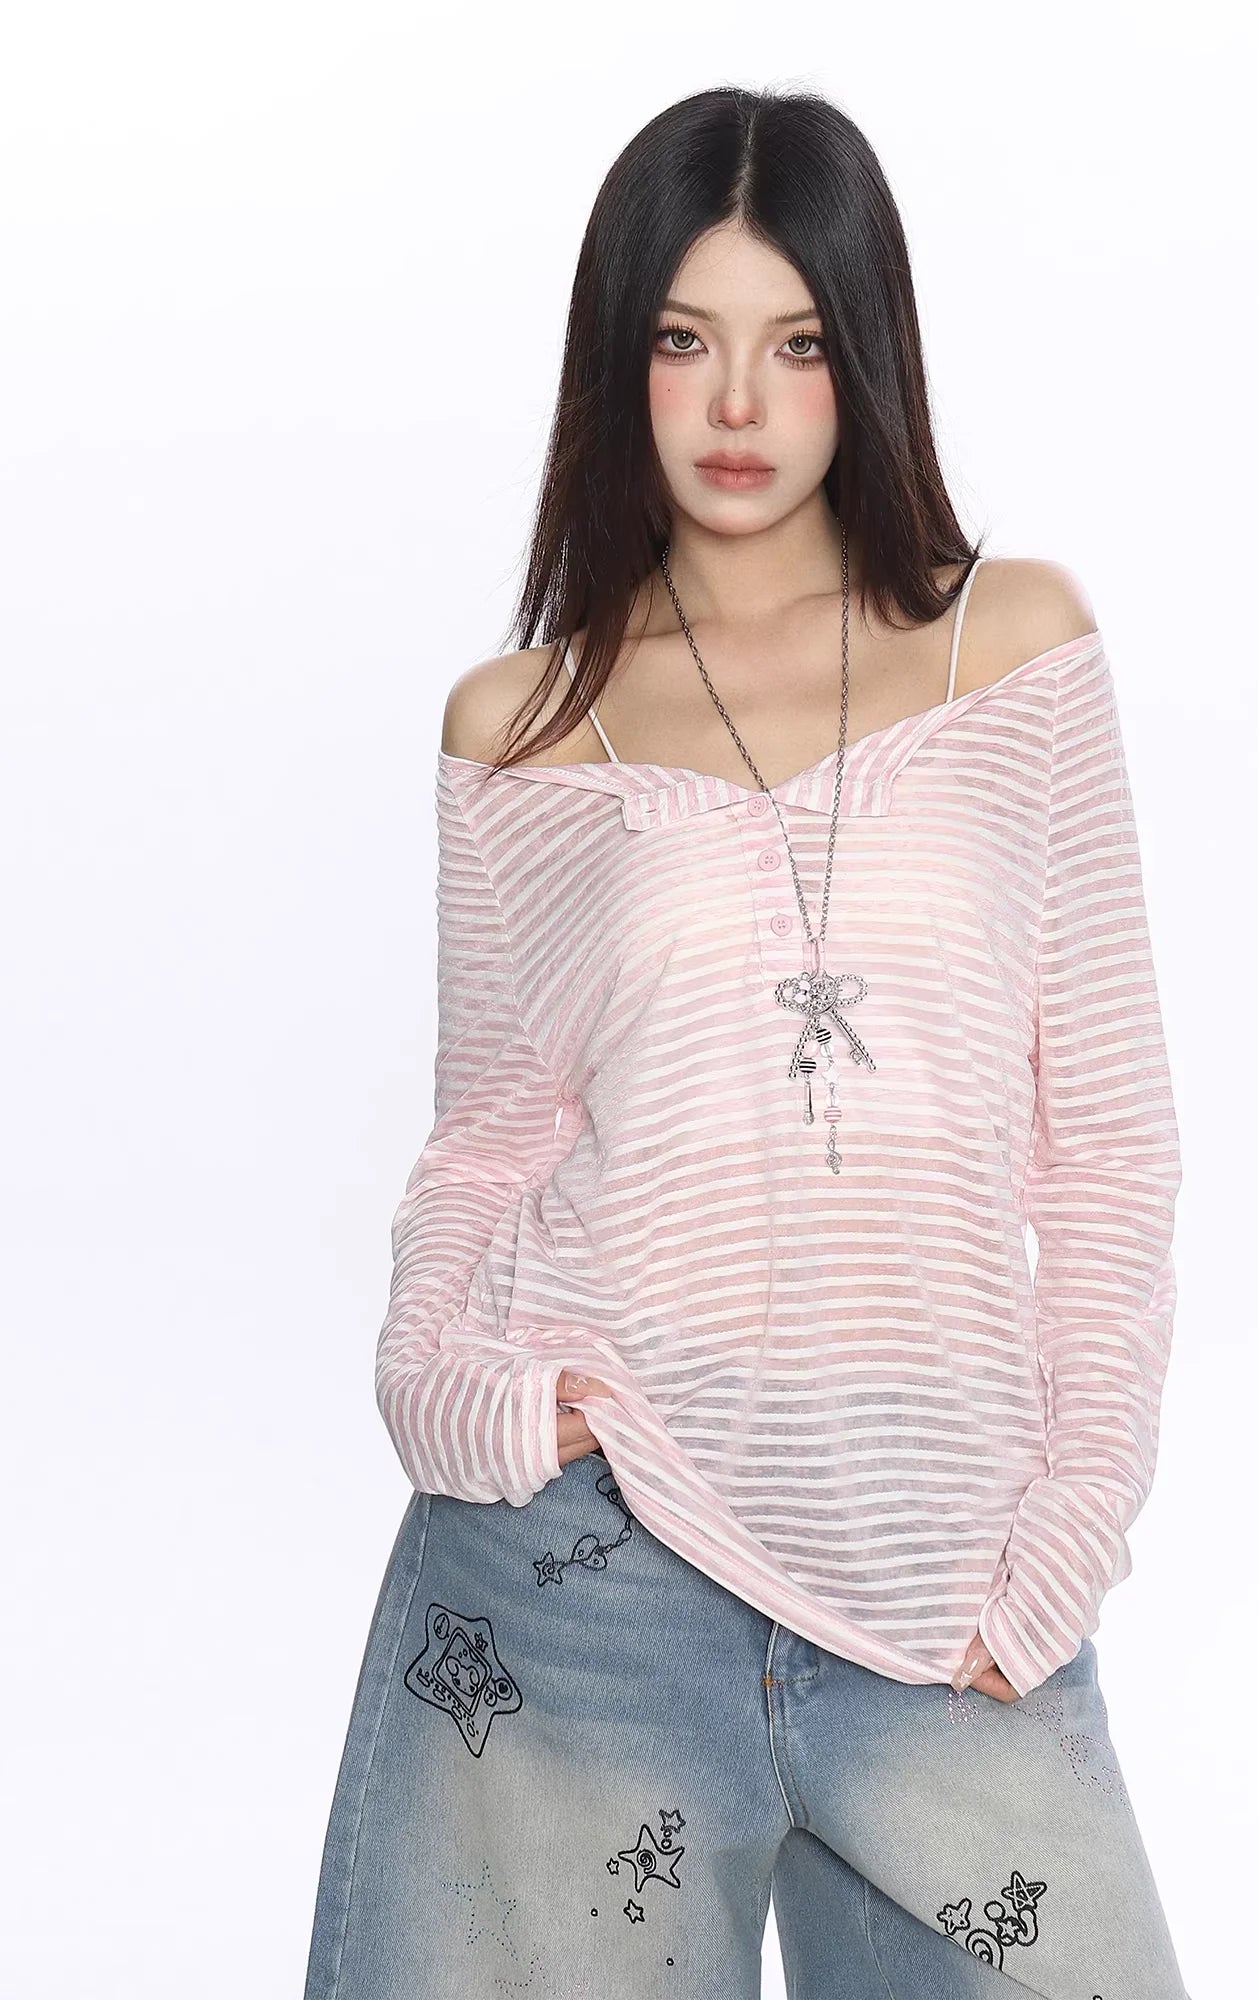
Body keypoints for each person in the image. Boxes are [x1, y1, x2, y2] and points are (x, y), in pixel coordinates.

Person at [303, 84, 1190, 2000]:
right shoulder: (522, 730)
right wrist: (449, 1389)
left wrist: (1074, 1523)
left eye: (794, 345)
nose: (735, 404)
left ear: (864, 359)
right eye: (682, 339)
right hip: (591, 1565)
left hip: (948, 1568)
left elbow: (1107, 1144)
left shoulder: (1017, 652)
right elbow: (489, 1136)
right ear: (615, 363)